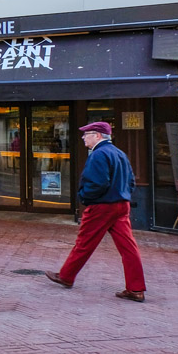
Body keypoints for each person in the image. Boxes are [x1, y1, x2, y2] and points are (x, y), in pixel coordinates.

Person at [46, 122, 146, 302]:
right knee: (128, 247)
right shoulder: (119, 153)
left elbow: (97, 183)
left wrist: (84, 197)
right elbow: (131, 181)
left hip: (102, 206)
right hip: (122, 204)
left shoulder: (98, 154)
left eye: (87, 134)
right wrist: (123, 194)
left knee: (84, 242)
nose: (84, 137)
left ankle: (66, 276)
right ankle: (136, 288)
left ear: (98, 135)